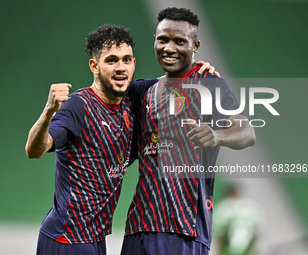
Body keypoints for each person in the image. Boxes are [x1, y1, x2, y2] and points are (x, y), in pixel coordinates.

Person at [25, 24, 216, 255]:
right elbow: (34, 149)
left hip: (95, 238)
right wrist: (48, 111)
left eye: (126, 60)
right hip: (67, 238)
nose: (120, 67)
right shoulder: (78, 106)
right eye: (111, 60)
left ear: (134, 64)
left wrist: (197, 68)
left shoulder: (133, 96)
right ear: (94, 66)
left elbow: (174, 80)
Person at [121, 7, 256, 255]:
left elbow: (247, 132)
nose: (169, 48)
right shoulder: (144, 91)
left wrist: (217, 135)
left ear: (195, 46)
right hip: (138, 228)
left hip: (183, 230)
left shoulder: (208, 83)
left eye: (179, 41)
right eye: (163, 39)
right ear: (154, 40)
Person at [212, 184, 264, 255]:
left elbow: (217, 235)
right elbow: (258, 234)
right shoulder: (253, 208)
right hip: (246, 249)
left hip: (226, 250)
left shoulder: (223, 208)